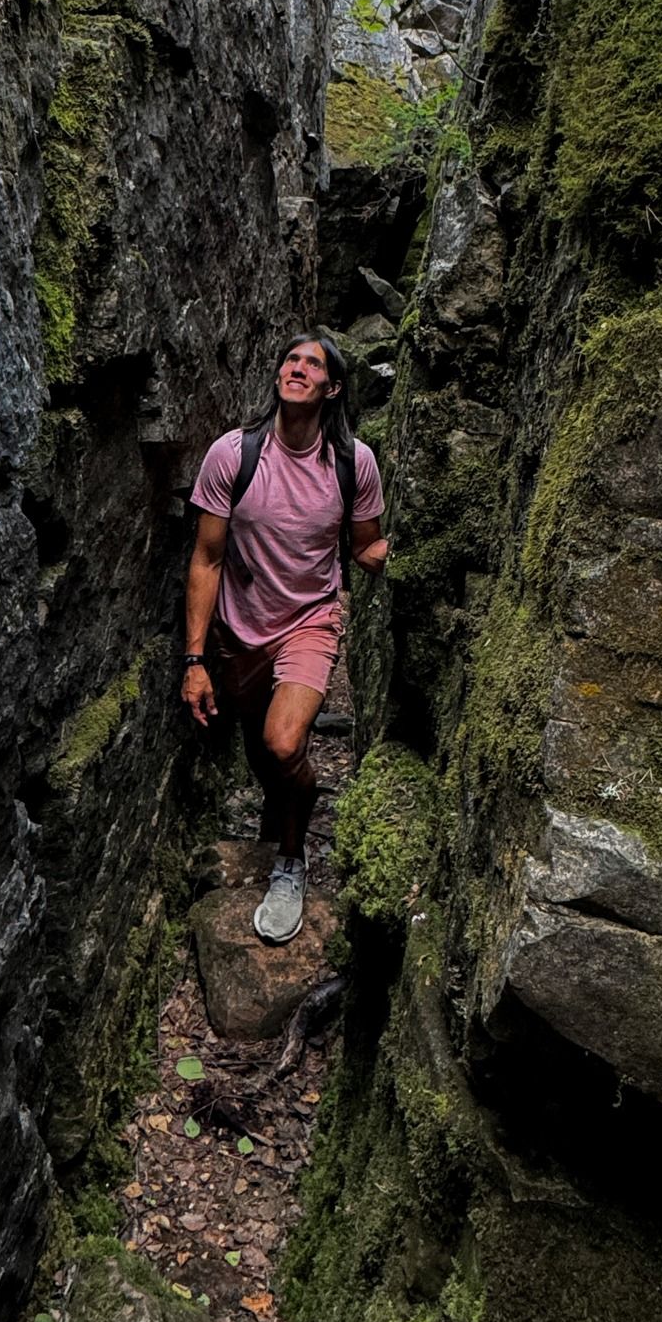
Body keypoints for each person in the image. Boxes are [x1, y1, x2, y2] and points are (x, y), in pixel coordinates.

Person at [182, 332, 389, 944]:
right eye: (291, 359)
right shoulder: (233, 454)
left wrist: (411, 553)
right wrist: (194, 659)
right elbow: (206, 558)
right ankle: (288, 802)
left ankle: (290, 859)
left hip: (310, 621)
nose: (297, 368)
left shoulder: (354, 463)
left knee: (281, 742)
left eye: (313, 364)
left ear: (334, 387)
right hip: (238, 631)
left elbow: (362, 547)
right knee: (259, 747)